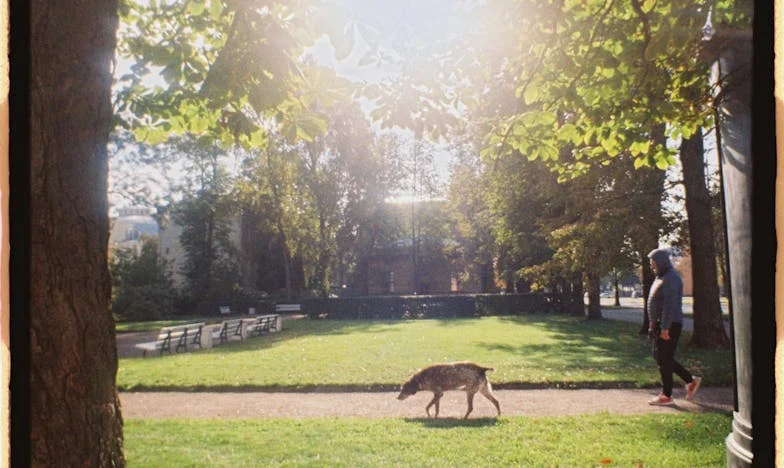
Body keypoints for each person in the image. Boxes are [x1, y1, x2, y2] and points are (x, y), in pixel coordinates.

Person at [646, 248, 702, 405]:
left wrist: (664, 328)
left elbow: (670, 306)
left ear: (662, 262)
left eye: (653, 263)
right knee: (662, 357)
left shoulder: (671, 278)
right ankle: (690, 381)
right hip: (661, 324)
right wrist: (652, 323)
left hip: (669, 325)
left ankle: (666, 395)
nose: (652, 266)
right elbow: (657, 302)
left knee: (663, 358)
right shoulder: (662, 277)